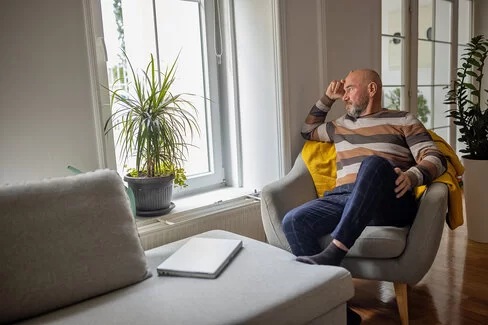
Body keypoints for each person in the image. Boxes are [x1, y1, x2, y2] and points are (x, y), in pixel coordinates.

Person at [282, 69, 447, 267]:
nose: (345, 96)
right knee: (292, 220)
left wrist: (412, 176)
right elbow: (307, 131)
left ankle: (335, 251)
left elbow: (436, 157)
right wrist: (327, 98)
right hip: (342, 197)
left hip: (388, 199)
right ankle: (328, 290)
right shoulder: (340, 125)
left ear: (371, 89)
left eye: (350, 89)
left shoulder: (403, 120)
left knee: (373, 163)